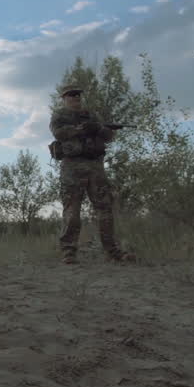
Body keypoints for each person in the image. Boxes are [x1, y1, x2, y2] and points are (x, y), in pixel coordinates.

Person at [49, 86, 136, 264]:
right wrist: (81, 129)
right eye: (71, 95)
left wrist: (96, 128)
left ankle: (112, 251)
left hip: (95, 166)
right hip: (72, 167)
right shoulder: (59, 115)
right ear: (64, 98)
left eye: (78, 94)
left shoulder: (92, 116)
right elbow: (59, 133)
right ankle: (68, 252)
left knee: (104, 208)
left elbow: (108, 136)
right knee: (72, 210)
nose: (76, 97)